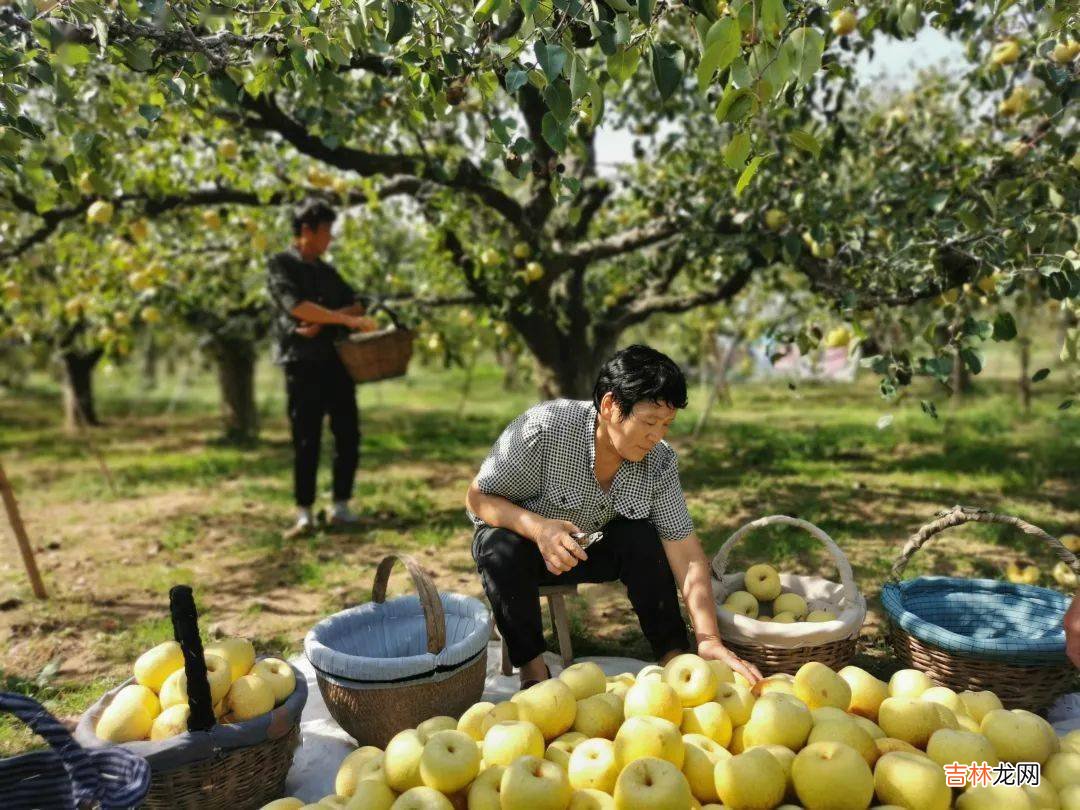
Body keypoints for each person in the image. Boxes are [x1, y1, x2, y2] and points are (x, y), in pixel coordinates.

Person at [465, 344, 763, 688]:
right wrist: (539, 529)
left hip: (590, 546)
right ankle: (533, 672)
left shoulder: (659, 462)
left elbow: (686, 551)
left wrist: (709, 637)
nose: (657, 436)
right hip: (527, 550)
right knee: (497, 547)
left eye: (667, 424)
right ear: (609, 406)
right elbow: (477, 497)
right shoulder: (544, 430)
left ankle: (676, 660)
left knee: (643, 538)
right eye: (649, 421)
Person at [267, 198, 377, 538]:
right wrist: (339, 318)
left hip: (336, 362)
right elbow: (297, 307)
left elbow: (359, 303)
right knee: (306, 439)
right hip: (302, 364)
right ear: (306, 230)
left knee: (348, 434)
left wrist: (325, 317)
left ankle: (341, 507)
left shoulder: (327, 271)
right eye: (327, 231)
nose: (330, 238)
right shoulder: (281, 264)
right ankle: (305, 513)